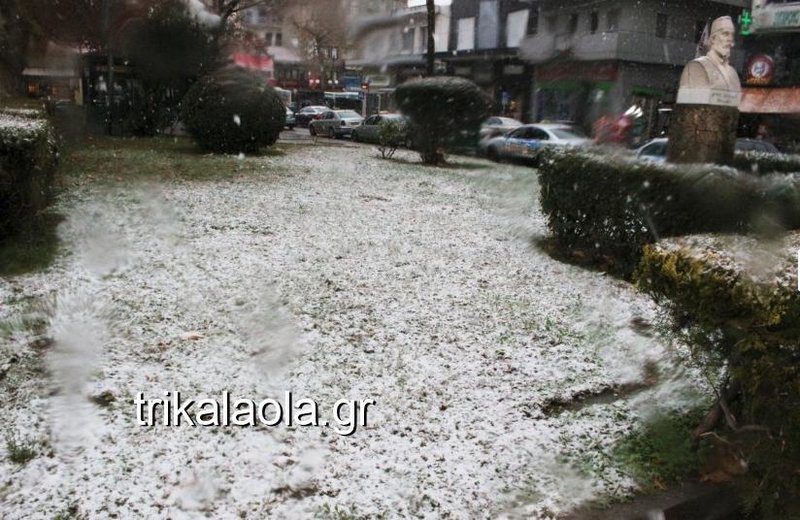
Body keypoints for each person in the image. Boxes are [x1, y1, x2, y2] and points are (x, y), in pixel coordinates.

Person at [679, 16, 741, 94]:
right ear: (712, 39)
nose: (730, 39)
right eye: (725, 34)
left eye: (732, 35)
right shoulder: (696, 66)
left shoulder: (733, 74)